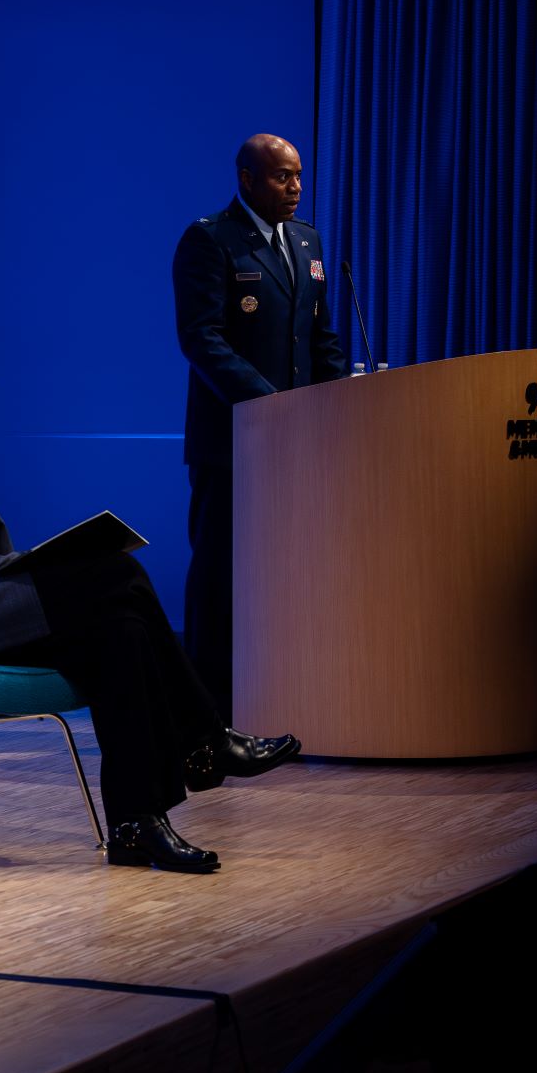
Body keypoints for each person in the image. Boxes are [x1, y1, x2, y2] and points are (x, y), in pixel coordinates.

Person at [0, 332, 302, 873]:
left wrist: (36, 564)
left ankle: (137, 825)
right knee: (115, 571)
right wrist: (39, 565)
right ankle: (205, 741)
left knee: (123, 636)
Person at [172, 133, 349, 718]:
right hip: (234, 444)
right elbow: (202, 339)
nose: (295, 187)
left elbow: (320, 338)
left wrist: (340, 399)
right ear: (246, 179)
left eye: (298, 176)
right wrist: (269, 404)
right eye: (281, 177)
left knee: (289, 575)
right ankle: (209, 711)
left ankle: (281, 695)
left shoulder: (308, 241)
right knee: (223, 576)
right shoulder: (210, 240)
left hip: (298, 445)